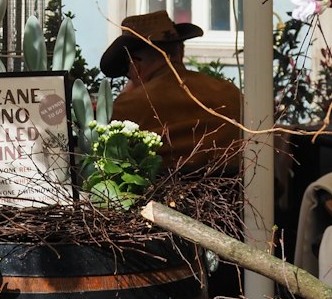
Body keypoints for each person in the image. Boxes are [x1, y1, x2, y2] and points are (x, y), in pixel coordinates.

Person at [100, 11, 242, 176]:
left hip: (157, 200)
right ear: (180, 52)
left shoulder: (129, 106)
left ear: (135, 65)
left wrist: (130, 90)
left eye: (127, 72)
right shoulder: (229, 94)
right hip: (231, 198)